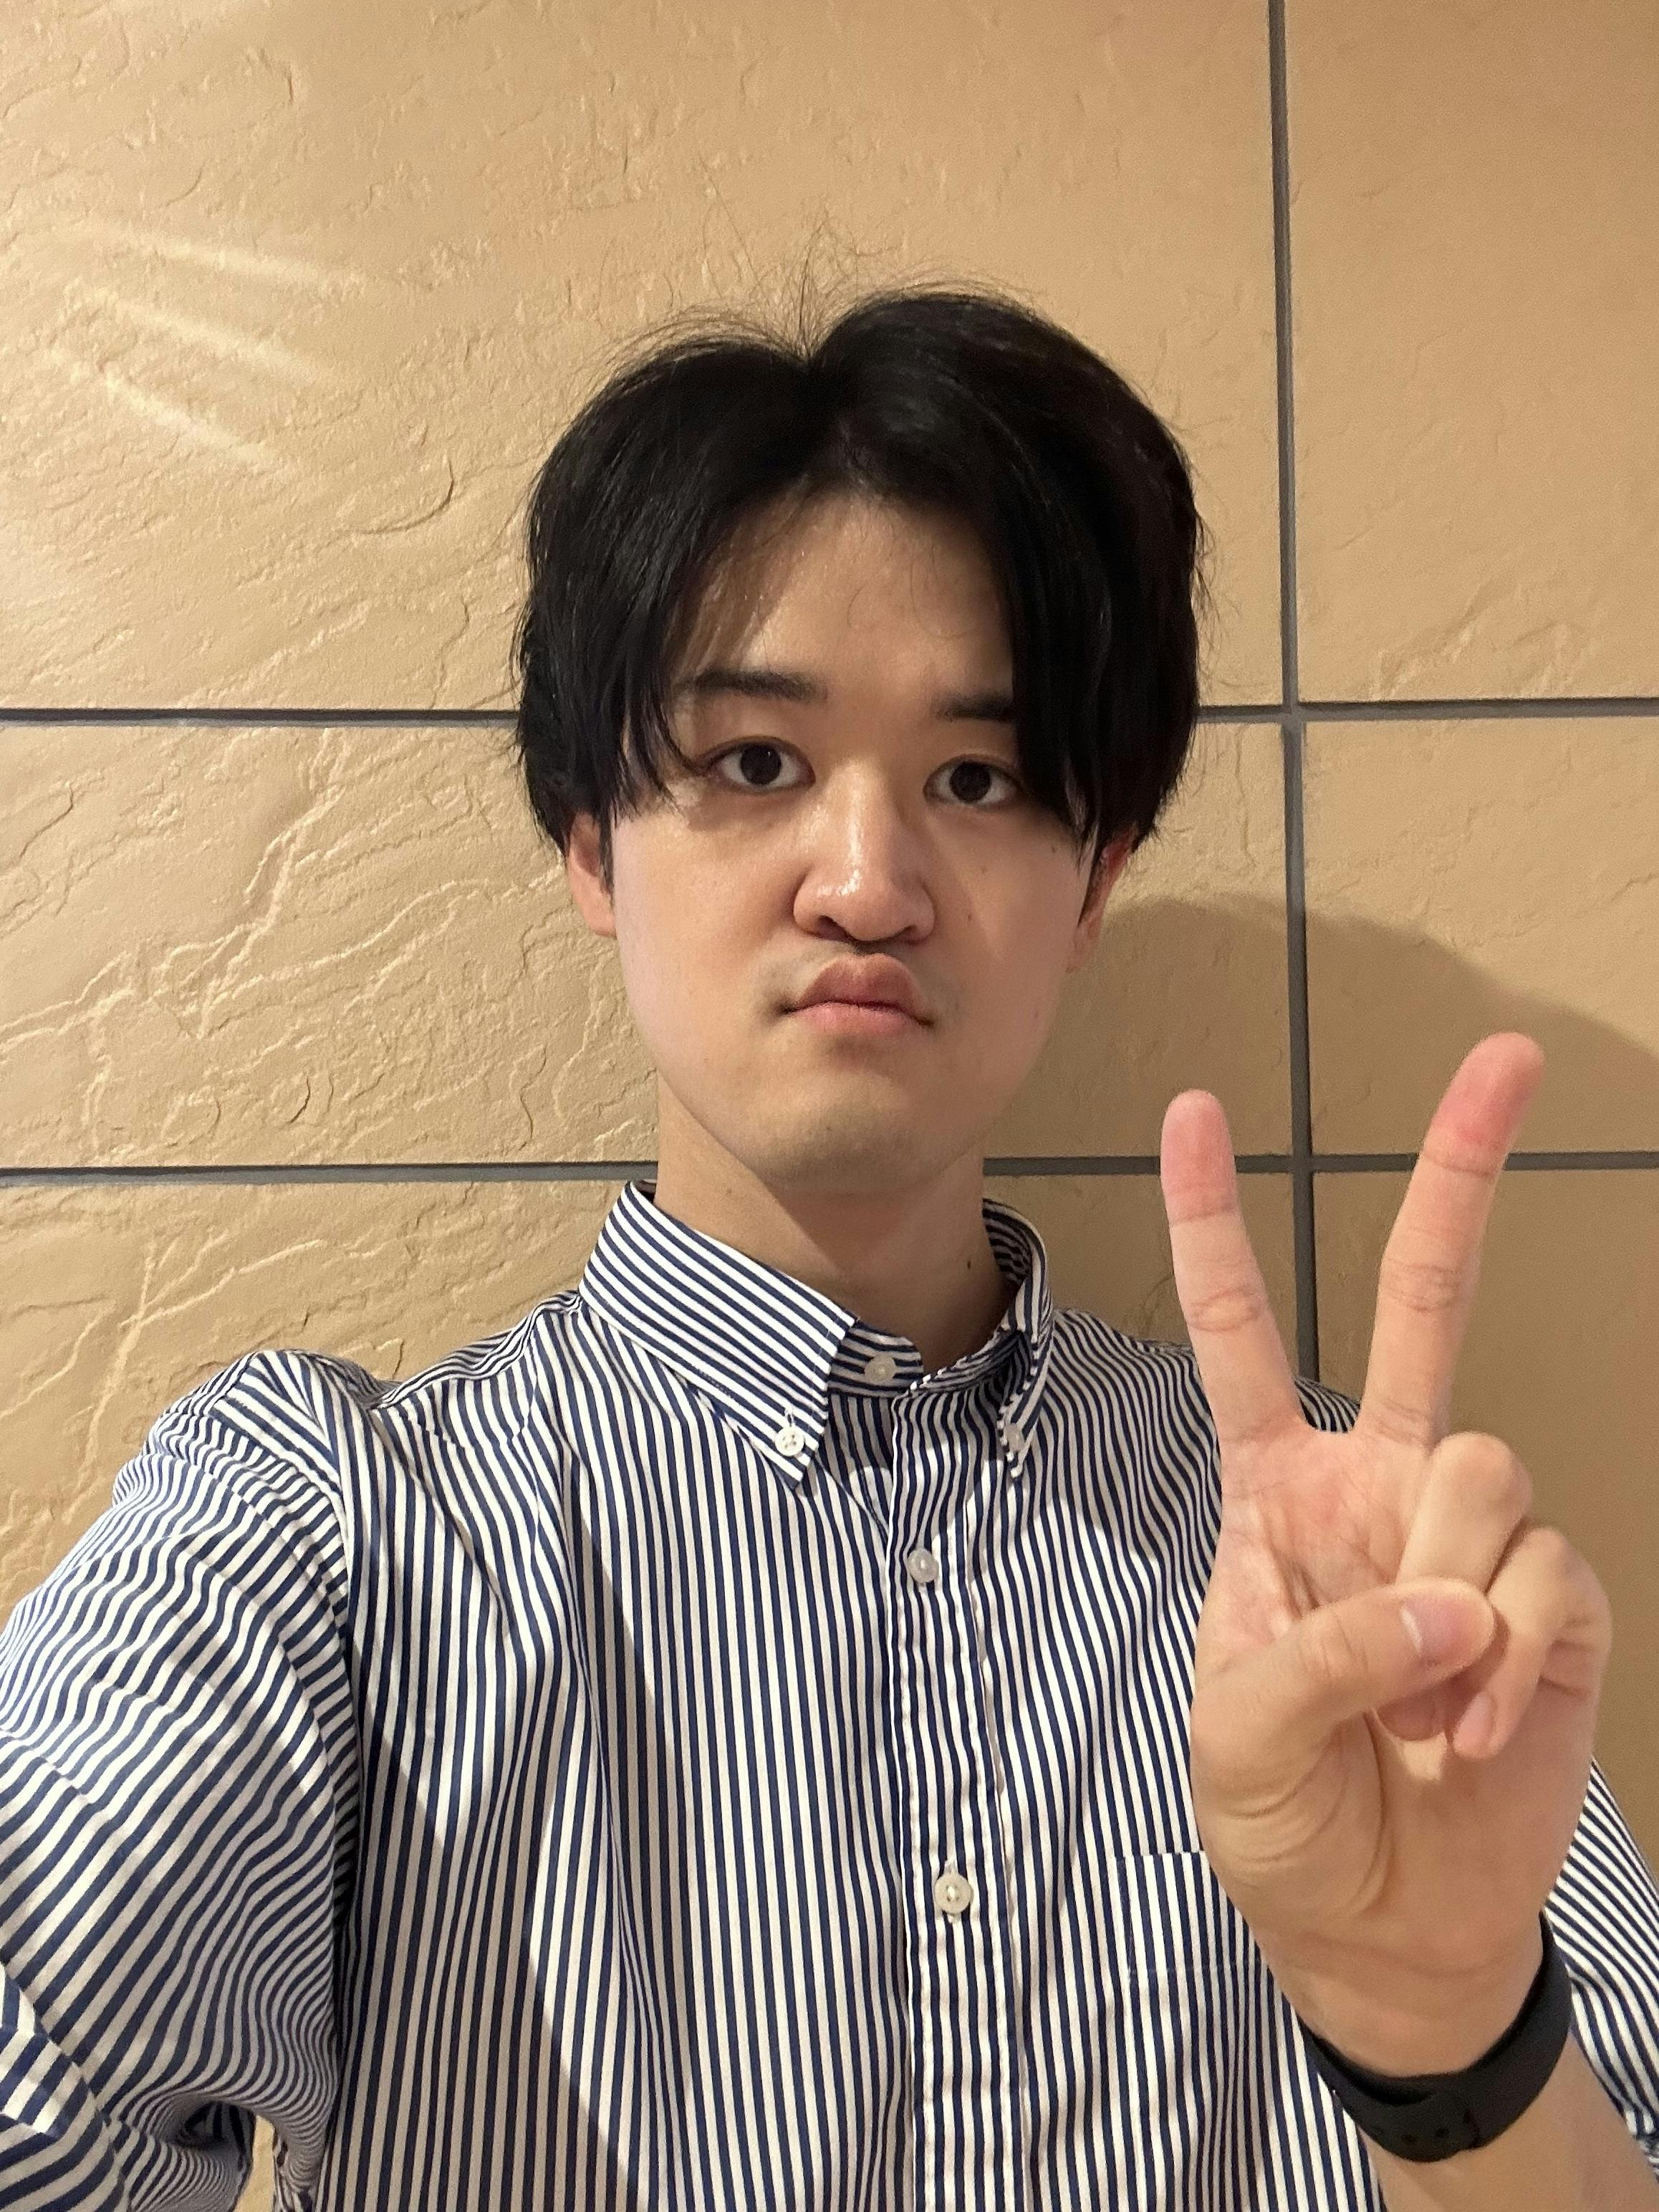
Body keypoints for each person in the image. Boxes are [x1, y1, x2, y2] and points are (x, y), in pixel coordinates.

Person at [2, 282, 1655, 2211]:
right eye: (754, 764)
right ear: (590, 840)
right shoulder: (325, 1535)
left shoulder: (1359, 1580)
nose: (868, 883)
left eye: (978, 779)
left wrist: (1451, 2045)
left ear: (1094, 880)